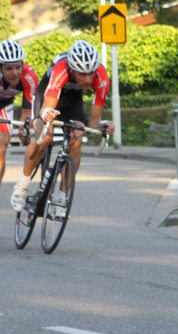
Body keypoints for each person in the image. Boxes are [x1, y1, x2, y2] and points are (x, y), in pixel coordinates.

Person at [10, 40, 115, 212]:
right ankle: (23, 185)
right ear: (72, 69)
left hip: (72, 100)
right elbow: (47, 108)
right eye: (82, 74)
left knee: (77, 136)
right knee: (45, 136)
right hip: (47, 95)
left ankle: (62, 195)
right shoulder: (61, 68)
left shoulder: (102, 78)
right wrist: (46, 116)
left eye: (91, 73)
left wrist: (104, 125)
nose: (88, 79)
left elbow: (94, 123)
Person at [0, 40, 36, 196]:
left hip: (5, 103)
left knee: (1, 148)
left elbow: (27, 112)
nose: (14, 73)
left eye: (17, 67)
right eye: (9, 68)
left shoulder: (29, 77)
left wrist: (23, 130)